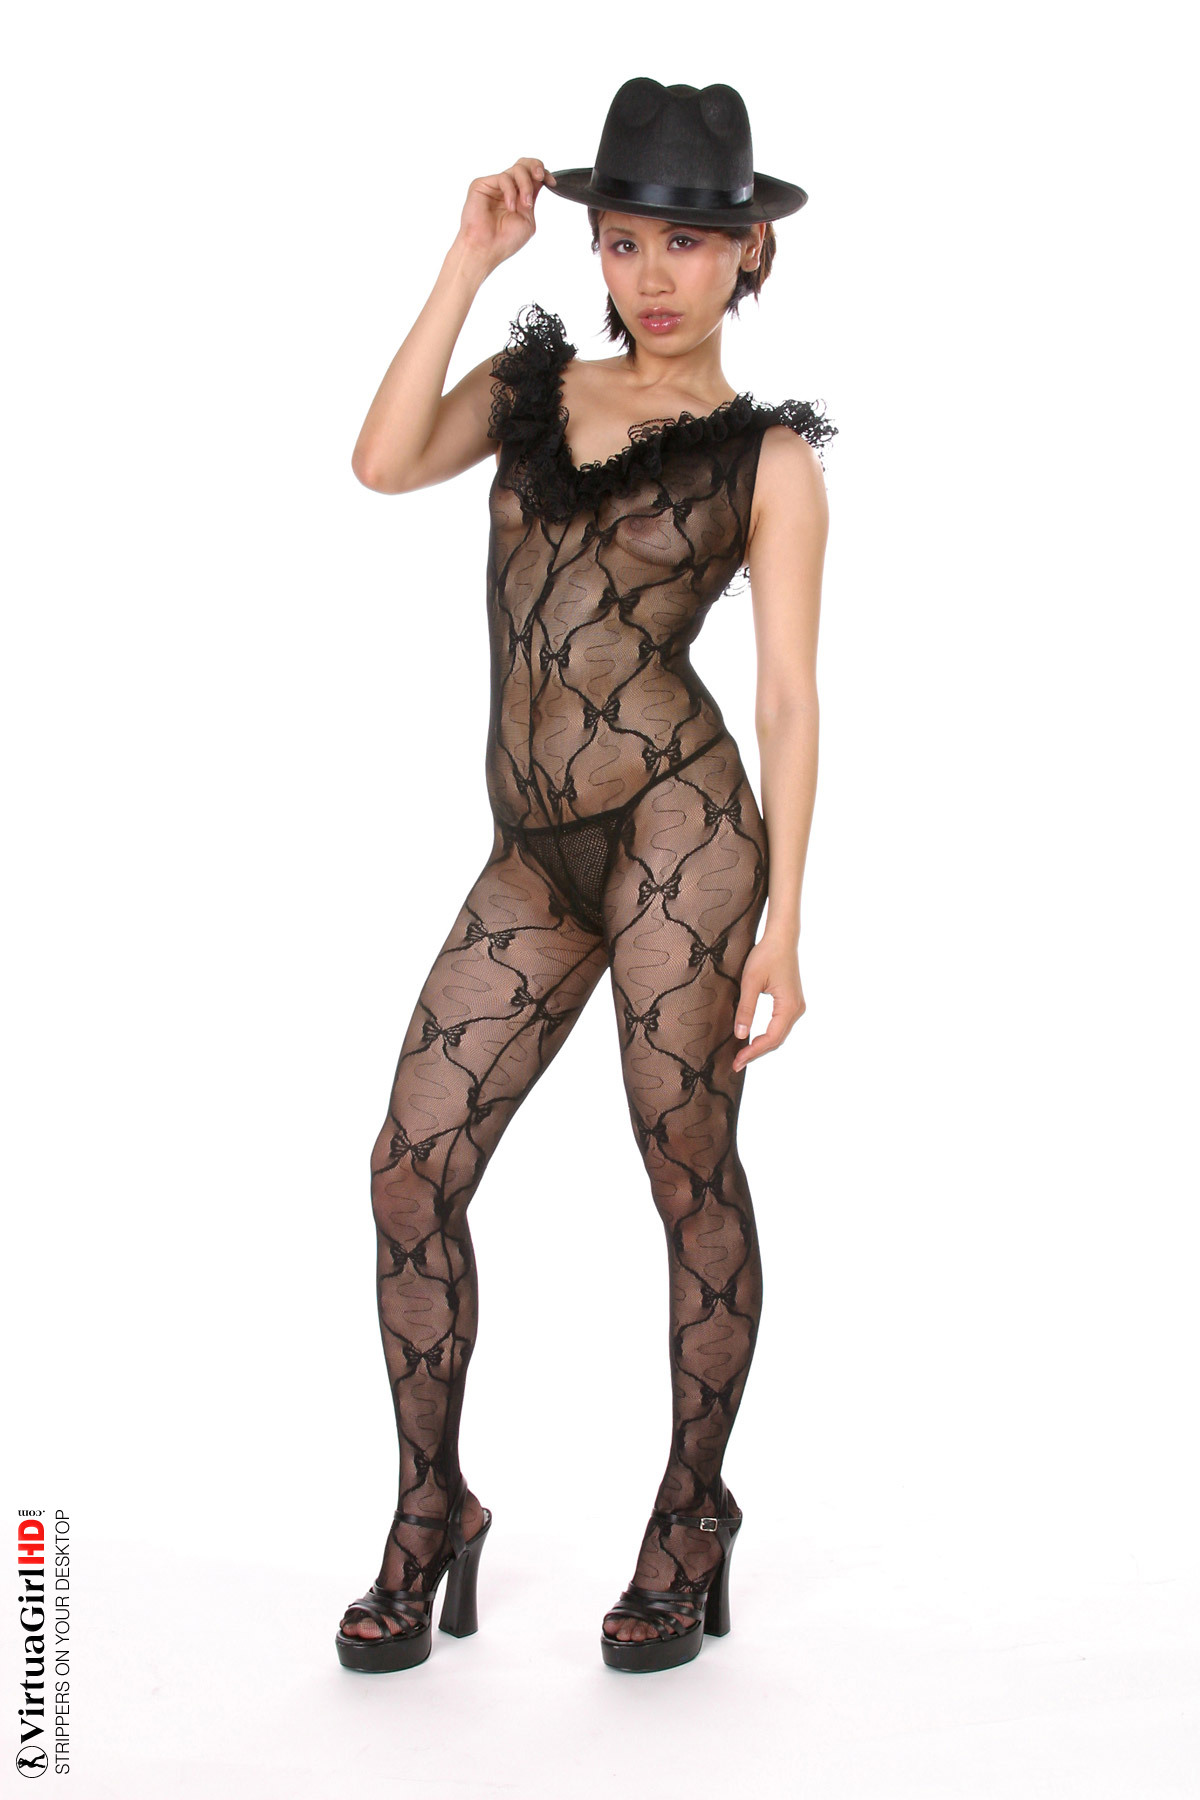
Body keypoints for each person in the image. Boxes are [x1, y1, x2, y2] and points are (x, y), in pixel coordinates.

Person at [334, 78, 837, 1676]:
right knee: (410, 1172)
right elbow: (381, 460)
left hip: (684, 834)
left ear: (748, 253)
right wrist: (466, 261)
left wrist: (787, 922)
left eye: (686, 243)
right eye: (624, 240)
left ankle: (694, 1512)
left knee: (682, 1159)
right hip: (533, 851)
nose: (653, 275)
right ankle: (433, 1510)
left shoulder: (768, 460)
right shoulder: (532, 389)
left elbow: (786, 698)